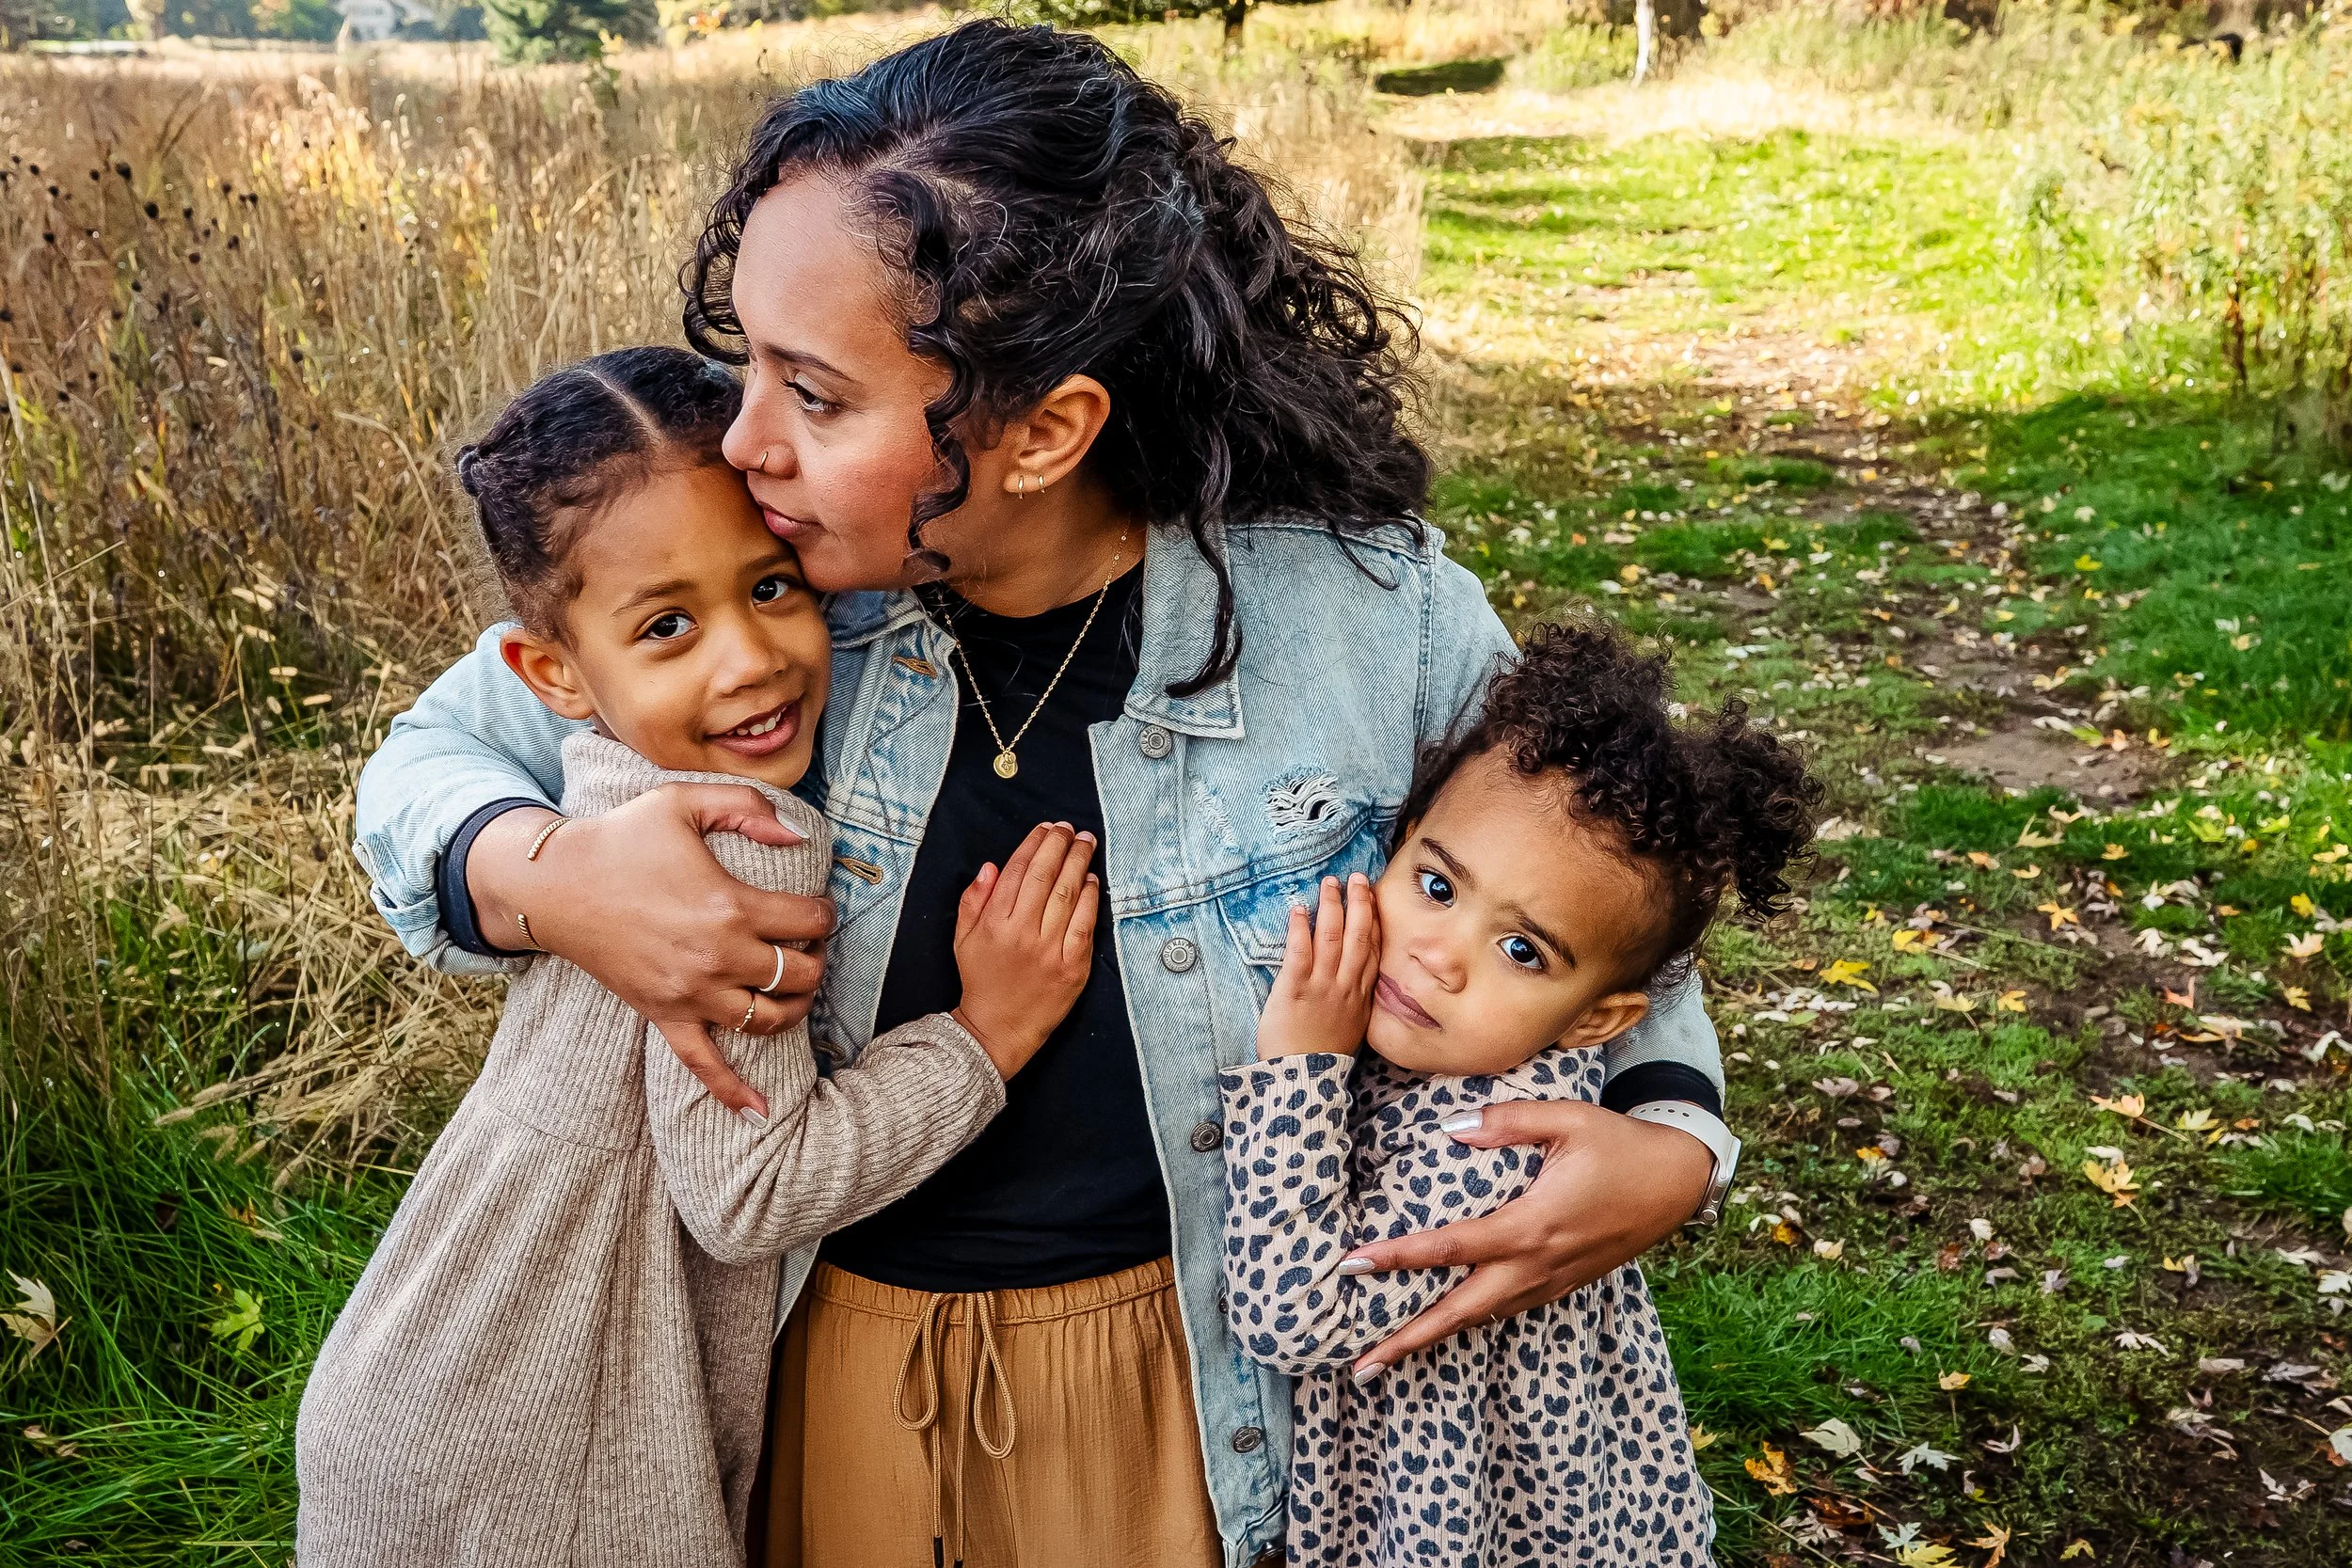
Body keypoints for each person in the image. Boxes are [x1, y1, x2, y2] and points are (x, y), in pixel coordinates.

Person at [350, 22, 1742, 1566]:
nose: (743, 440)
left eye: (814, 394)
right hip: (832, 1373)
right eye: (746, 360)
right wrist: (547, 878)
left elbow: (1606, 876)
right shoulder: (754, 606)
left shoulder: (1363, 616)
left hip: (1184, 1397)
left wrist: (1675, 1137)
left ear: (1047, 429)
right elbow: (426, 765)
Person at [297, 348, 1099, 1565]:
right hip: (547, 1446)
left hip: (428, 1373)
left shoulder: (611, 777)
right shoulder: (738, 839)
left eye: (773, 588)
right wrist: (983, 1038)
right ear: (550, 671)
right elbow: (753, 1189)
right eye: (668, 624)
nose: (747, 658)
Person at [1222, 621, 1819, 1567]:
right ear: (1401, 839)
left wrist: (1298, 1068)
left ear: (1594, 1020)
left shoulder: (1502, 1137)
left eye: (1520, 950)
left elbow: (1293, 1312)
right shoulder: (1434, 1039)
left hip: (1477, 1518)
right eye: (1435, 883)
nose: (1437, 954)